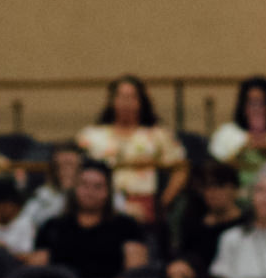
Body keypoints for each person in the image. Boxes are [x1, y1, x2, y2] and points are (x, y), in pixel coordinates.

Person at [77, 75, 186, 224]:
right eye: (121, 97)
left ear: (141, 101)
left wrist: (163, 202)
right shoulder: (91, 135)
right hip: (101, 206)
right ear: (111, 101)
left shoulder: (157, 135)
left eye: (131, 97)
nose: (126, 103)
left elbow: (181, 168)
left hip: (145, 206)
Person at [28, 159, 150, 278]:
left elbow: (135, 274)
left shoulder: (127, 226)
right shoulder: (52, 227)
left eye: (98, 186)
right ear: (74, 188)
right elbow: (36, 272)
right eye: (84, 185)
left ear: (108, 191)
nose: (90, 192)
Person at [175, 159, 246, 270]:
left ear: (234, 189)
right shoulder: (193, 223)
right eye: (207, 187)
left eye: (219, 186)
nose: (212, 192)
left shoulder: (248, 224)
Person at [22, 142, 81, 230]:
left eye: (69, 165)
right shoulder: (43, 195)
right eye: (58, 166)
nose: (64, 171)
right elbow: (26, 221)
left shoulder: (91, 195)